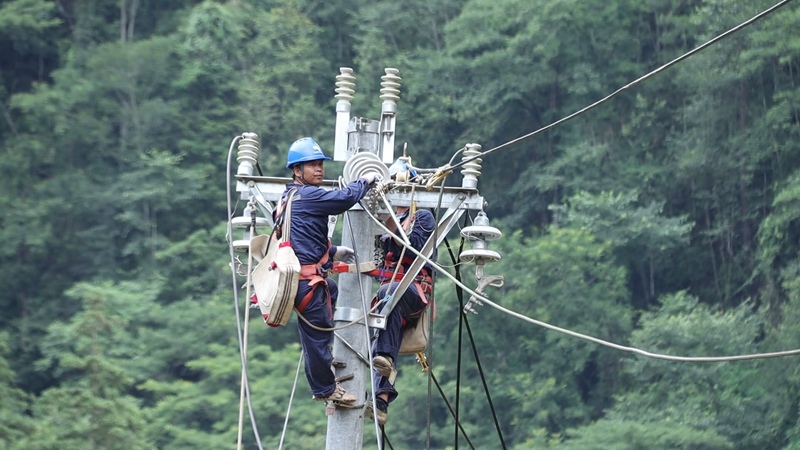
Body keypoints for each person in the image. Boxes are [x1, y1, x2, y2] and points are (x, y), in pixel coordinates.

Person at [278, 137, 381, 406]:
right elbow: (342, 199)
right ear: (297, 171)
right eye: (311, 165)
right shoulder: (308, 195)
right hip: (305, 282)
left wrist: (332, 252)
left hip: (299, 279)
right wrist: (365, 181)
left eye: (320, 164)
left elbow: (302, 234)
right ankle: (325, 389)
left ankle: (323, 357)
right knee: (317, 332)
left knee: (330, 294)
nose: (319, 170)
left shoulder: (290, 196)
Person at [366, 204, 436, 425]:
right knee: (379, 328)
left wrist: (390, 224)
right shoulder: (377, 218)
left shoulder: (422, 217)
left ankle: (385, 358)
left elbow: (414, 247)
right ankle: (381, 399)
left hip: (414, 291)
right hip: (389, 296)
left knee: (389, 295)